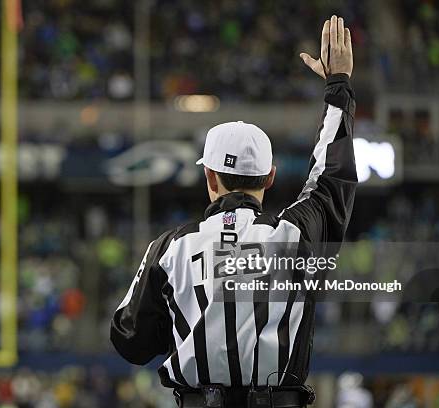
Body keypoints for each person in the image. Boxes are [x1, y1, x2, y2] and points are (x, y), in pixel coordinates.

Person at [111, 16, 356, 408]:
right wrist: (338, 86)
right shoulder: (294, 237)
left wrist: (188, 322)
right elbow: (332, 177)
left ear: (209, 175)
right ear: (270, 177)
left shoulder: (170, 248)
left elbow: (130, 340)